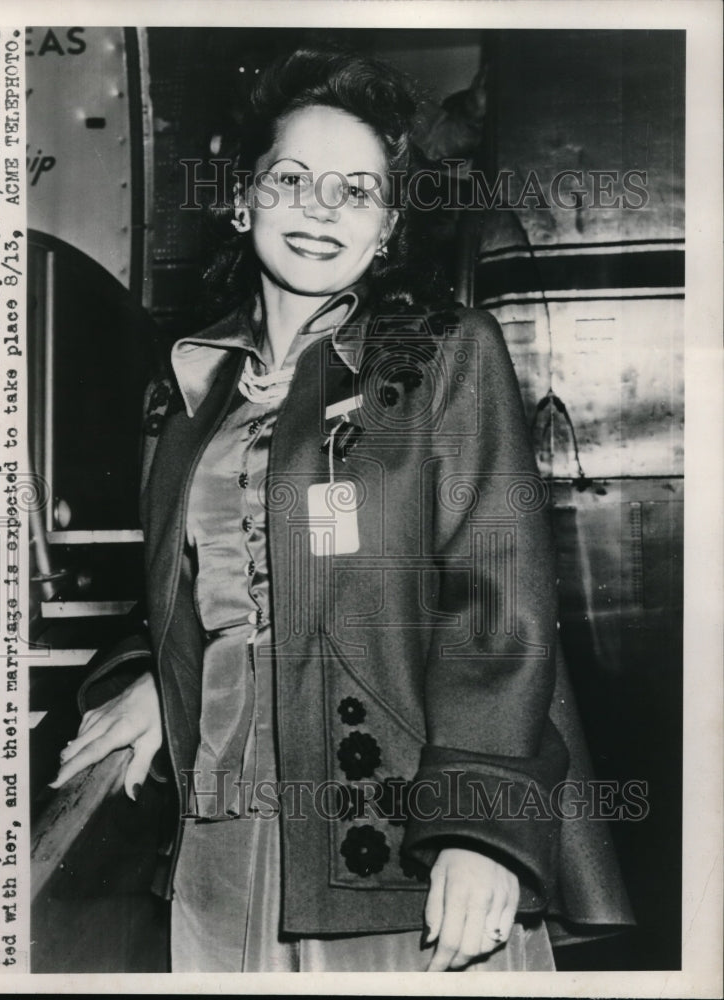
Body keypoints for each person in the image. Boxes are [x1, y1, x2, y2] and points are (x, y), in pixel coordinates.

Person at [51, 47, 630, 972]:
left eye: (355, 190)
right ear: (242, 202)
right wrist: (158, 681)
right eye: (292, 179)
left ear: (389, 226)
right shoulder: (192, 383)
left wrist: (477, 828)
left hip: (399, 827)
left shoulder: (441, 355)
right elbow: (193, 578)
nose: (322, 209)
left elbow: (499, 608)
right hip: (224, 829)